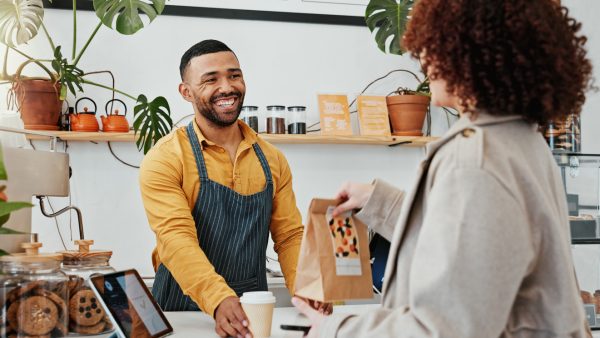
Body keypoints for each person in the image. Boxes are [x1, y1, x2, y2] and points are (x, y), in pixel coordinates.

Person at [293, 0, 594, 337]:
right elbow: (474, 245)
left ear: (467, 52)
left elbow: (444, 329)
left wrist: (333, 328)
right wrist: (378, 200)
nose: (423, 59)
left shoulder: (475, 157)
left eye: (431, 44)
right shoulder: (521, 142)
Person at [139, 39, 330, 338]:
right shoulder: (166, 158)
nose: (226, 87)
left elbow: (290, 235)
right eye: (210, 79)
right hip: (181, 309)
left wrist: (306, 287)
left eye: (234, 75)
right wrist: (218, 300)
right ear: (186, 92)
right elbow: (175, 239)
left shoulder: (271, 158)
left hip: (253, 309)